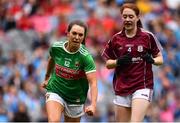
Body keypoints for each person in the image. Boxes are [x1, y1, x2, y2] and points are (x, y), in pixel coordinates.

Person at [102, 3, 163, 122]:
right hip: (122, 88)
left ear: (137, 17)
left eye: (130, 16)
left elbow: (160, 59)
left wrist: (152, 60)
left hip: (142, 86)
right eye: (125, 16)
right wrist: (118, 61)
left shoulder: (147, 37)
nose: (127, 19)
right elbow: (108, 64)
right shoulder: (116, 39)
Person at [41, 20, 98, 122]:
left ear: (84, 37)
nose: (77, 37)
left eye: (80, 35)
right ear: (68, 33)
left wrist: (93, 105)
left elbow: (93, 83)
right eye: (74, 33)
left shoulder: (86, 57)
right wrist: (47, 77)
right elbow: (52, 59)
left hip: (76, 98)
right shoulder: (56, 47)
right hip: (55, 89)